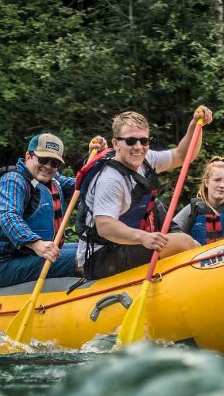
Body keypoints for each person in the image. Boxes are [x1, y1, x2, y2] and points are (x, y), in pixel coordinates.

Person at [77, 106, 214, 279]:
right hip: (100, 257)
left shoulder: (145, 159)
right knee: (184, 242)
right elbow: (104, 226)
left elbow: (183, 154)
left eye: (144, 141)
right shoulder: (110, 179)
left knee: (192, 243)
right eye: (131, 141)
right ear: (116, 144)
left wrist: (195, 124)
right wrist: (142, 237)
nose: (138, 147)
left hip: (123, 246)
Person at [0, 133, 105, 287]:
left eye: (54, 163)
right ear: (28, 156)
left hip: (34, 254)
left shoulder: (54, 180)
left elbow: (85, 185)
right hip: (6, 264)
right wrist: (36, 243)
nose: (48, 166)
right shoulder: (12, 180)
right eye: (43, 160)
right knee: (85, 256)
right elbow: (9, 216)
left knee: (95, 247)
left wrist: (97, 159)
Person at [171, 156, 224, 245]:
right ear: (206, 182)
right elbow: (171, 236)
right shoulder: (192, 211)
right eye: (217, 180)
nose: (222, 185)